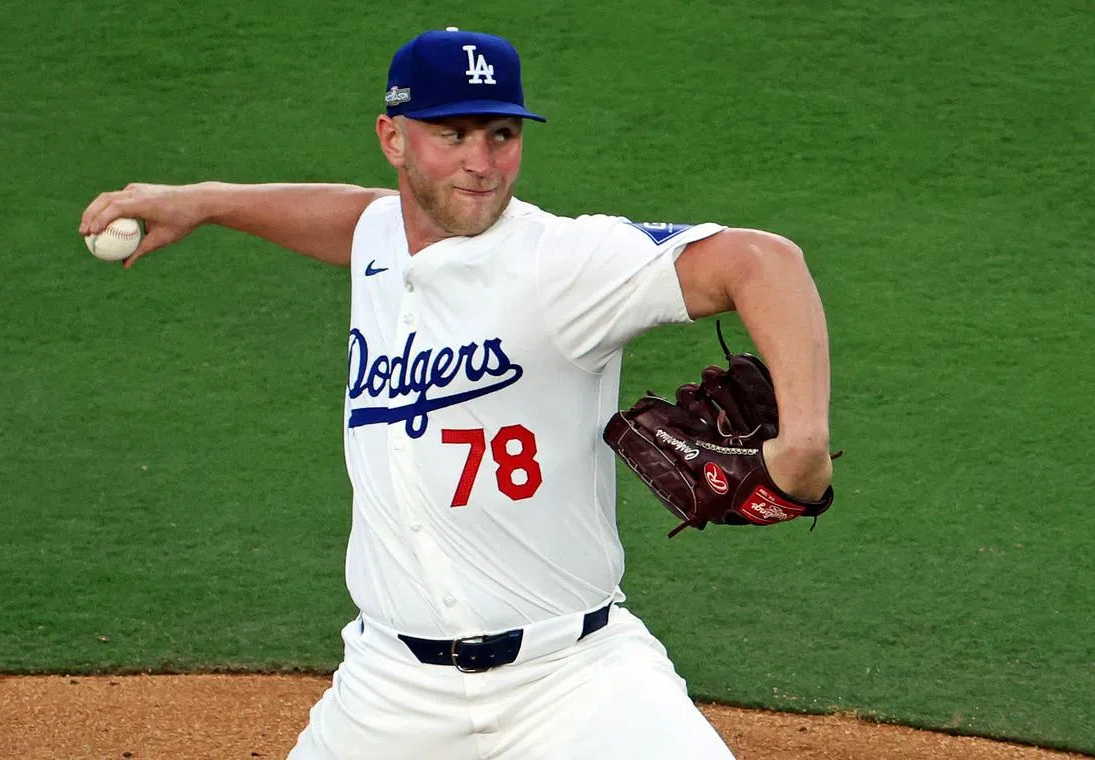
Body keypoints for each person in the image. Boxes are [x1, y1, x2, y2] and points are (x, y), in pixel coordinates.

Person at [79, 28, 833, 760]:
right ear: (393, 138)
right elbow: (349, 216)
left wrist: (801, 445)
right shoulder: (381, 236)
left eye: (502, 134)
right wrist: (204, 200)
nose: (481, 163)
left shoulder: (561, 263)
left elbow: (764, 262)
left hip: (573, 683)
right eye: (453, 134)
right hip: (389, 691)